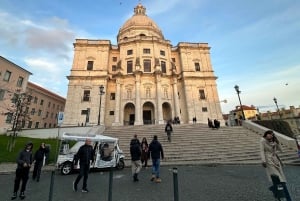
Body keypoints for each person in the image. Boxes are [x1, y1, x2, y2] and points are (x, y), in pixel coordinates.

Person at [260, 130, 292, 201]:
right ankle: (287, 198)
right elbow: (262, 150)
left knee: (279, 179)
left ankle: (275, 190)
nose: (270, 135)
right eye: (268, 134)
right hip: (269, 161)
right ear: (266, 135)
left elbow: (281, 150)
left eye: (271, 134)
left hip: (276, 161)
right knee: (278, 178)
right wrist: (263, 160)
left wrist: (278, 142)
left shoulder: (274, 142)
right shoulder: (262, 141)